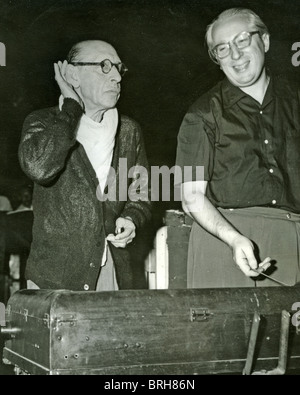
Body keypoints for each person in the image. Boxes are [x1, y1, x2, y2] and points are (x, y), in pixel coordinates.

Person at [175, 8, 300, 288]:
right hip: (226, 245)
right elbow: (191, 197)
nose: (235, 54)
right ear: (217, 60)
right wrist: (233, 239)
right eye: (222, 48)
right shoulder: (202, 115)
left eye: (242, 40)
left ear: (264, 41)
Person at [19, 40, 151, 291]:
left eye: (118, 69)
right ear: (72, 75)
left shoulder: (129, 131)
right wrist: (71, 109)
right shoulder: (44, 122)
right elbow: (38, 168)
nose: (116, 76)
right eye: (104, 66)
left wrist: (132, 217)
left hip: (111, 271)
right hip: (55, 277)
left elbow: (141, 192)